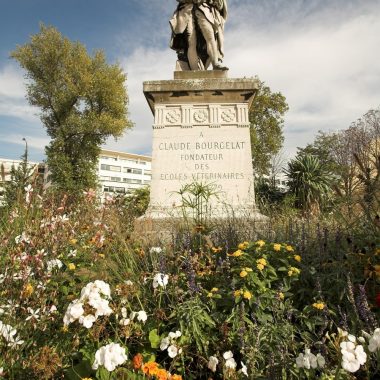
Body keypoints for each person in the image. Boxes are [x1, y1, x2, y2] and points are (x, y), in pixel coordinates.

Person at [170, 0, 228, 71]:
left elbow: (220, 3)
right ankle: (195, 70)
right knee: (191, 41)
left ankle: (215, 64)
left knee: (210, 37)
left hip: (203, 9)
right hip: (187, 10)